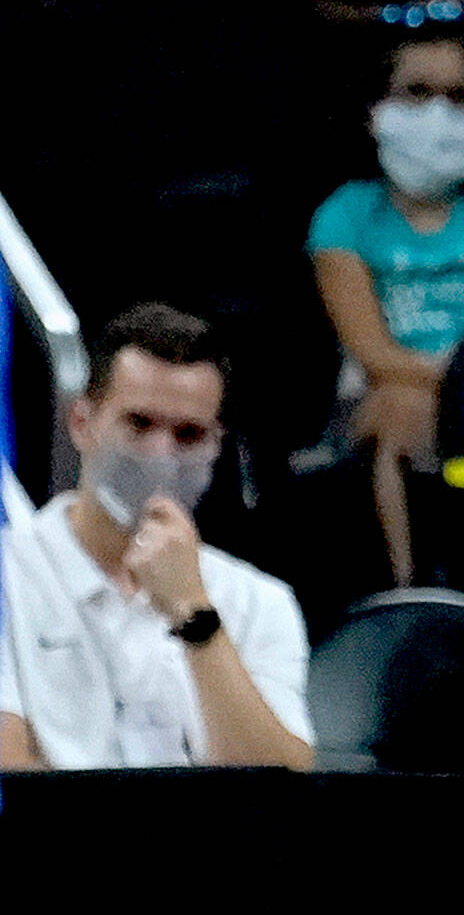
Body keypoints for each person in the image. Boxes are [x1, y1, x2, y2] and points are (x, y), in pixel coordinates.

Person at [0, 304, 314, 771]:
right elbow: (9, 771)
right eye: (140, 423)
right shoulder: (9, 574)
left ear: (215, 447)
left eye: (188, 435)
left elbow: (279, 790)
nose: (161, 454)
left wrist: (195, 617)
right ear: (82, 422)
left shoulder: (260, 602)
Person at [308, 30, 464, 587]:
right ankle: (410, 589)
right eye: (416, 93)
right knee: (402, 406)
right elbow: (373, 352)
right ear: (374, 111)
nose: (439, 113)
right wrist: (454, 382)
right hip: (381, 391)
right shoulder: (345, 214)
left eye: (460, 97)